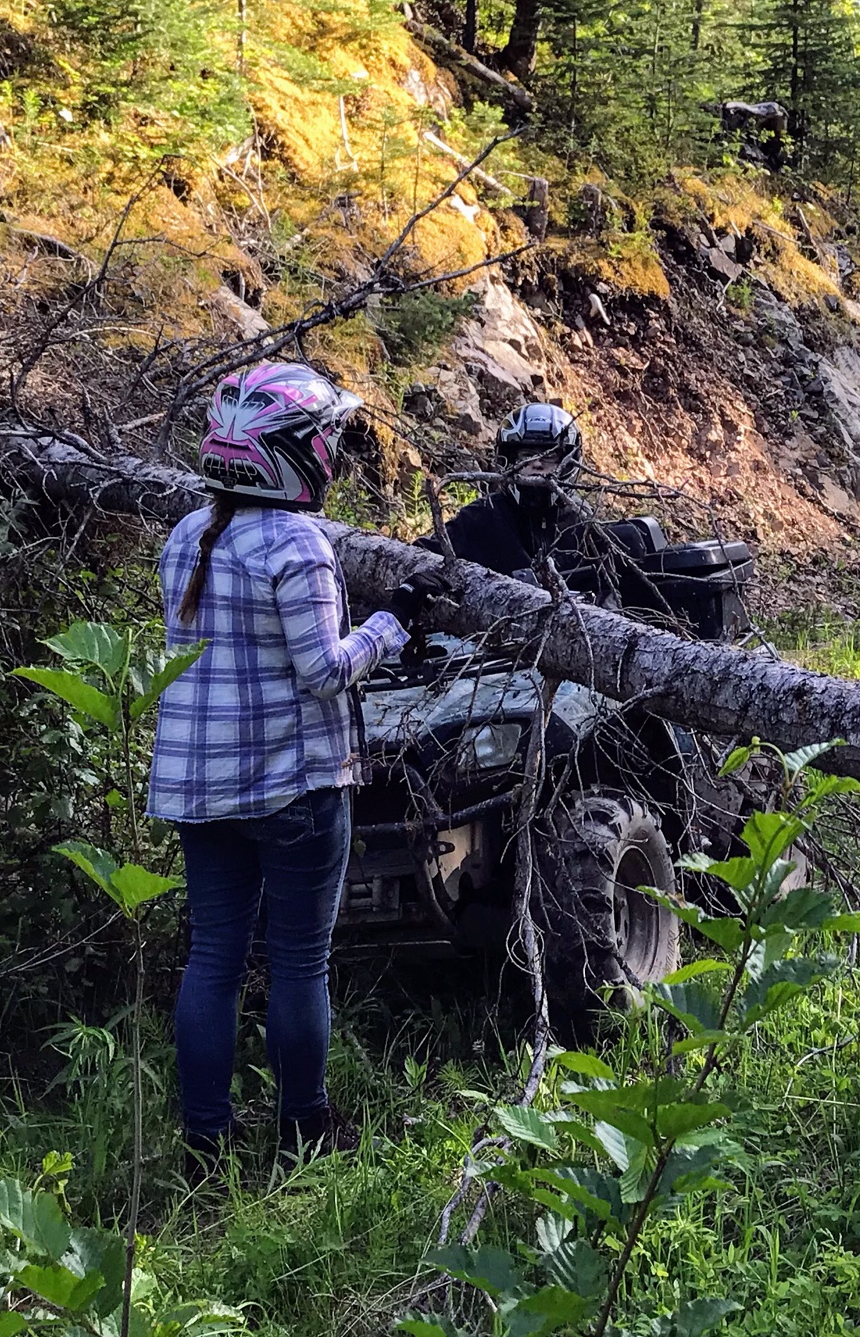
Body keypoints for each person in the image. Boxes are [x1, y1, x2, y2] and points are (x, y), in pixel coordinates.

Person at [148, 360, 420, 1166]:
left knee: (214, 960)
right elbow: (326, 670)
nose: (333, 450)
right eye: (326, 438)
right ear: (295, 451)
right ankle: (304, 1129)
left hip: (199, 789)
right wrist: (394, 623)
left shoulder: (187, 534)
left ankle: (206, 1141)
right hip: (293, 785)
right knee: (301, 962)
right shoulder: (299, 543)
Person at [440, 400, 591, 578]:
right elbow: (420, 556)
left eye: (549, 456)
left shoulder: (584, 522)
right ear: (509, 460)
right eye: (527, 455)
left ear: (568, 463)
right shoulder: (480, 517)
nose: (537, 463)